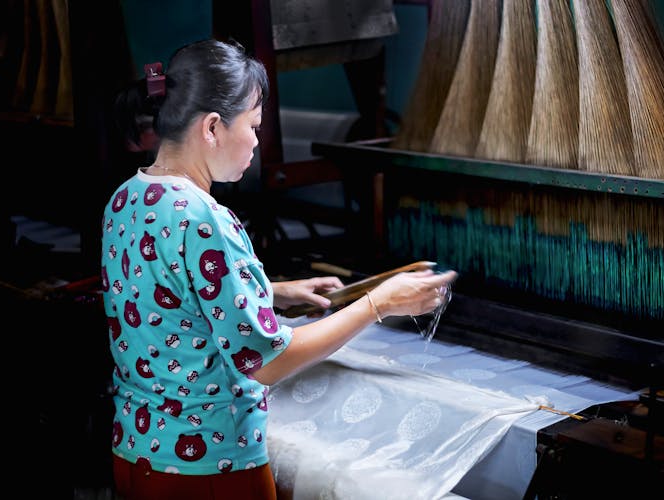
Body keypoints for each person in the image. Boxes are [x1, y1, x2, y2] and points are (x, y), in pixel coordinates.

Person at [101, 38, 457, 500]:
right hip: (208, 468)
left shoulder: (126, 198)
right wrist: (378, 303)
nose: (258, 141)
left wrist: (272, 291)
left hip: (137, 452)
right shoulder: (205, 218)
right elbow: (268, 360)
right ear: (212, 127)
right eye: (253, 125)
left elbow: (166, 300)